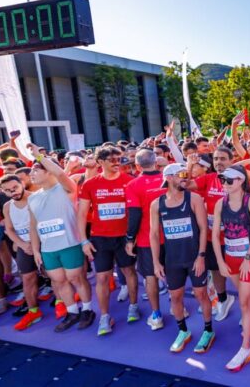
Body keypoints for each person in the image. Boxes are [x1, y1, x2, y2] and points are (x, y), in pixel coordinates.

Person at [26, 143, 95, 332]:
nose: (31, 174)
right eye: (31, 171)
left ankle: (87, 309)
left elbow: (61, 174)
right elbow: (33, 226)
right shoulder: (32, 198)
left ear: (49, 172)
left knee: (76, 278)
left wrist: (39, 156)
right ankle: (72, 312)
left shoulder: (65, 188)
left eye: (36, 170)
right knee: (58, 281)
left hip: (70, 243)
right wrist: (36, 251)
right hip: (49, 249)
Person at [149, 163, 214, 354]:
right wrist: (156, 262)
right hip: (173, 260)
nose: (186, 178)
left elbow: (203, 229)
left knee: (201, 294)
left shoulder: (194, 198)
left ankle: (208, 330)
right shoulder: (156, 204)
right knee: (175, 297)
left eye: (186, 174)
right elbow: (154, 234)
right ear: (169, 178)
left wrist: (201, 256)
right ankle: (183, 331)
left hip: (194, 257)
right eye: (181, 175)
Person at [78, 147, 139, 336]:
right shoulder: (90, 184)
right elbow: (81, 214)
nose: (116, 162)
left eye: (118, 159)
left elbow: (136, 211)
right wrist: (83, 241)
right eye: (111, 159)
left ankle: (133, 306)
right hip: (100, 238)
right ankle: (104, 316)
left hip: (124, 237)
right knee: (102, 277)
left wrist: (133, 237)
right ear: (100, 162)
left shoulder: (130, 181)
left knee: (129, 271)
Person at [212, 166, 250, 371]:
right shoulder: (220, 203)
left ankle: (245, 348)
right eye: (223, 180)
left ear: (241, 181)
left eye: (229, 180)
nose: (224, 184)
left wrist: (248, 258)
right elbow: (215, 235)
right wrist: (220, 261)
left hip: (248, 258)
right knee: (247, 296)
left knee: (243, 302)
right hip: (230, 258)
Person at [190, 146, 235, 321]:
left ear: (231, 160)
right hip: (212, 237)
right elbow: (185, 185)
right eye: (216, 159)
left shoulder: (239, 178)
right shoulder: (208, 178)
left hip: (235, 237)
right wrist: (189, 166)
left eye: (223, 158)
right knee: (216, 270)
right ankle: (223, 299)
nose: (218, 162)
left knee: (238, 274)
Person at [125, 149, 167, 330]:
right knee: (175, 274)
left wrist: (129, 238)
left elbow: (134, 214)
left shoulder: (133, 185)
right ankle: (179, 309)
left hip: (147, 238)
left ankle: (156, 315)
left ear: (137, 165)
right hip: (172, 236)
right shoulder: (168, 179)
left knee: (151, 277)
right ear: (156, 162)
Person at [0, 174, 43, 331]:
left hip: (43, 242)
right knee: (28, 279)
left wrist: (35, 244)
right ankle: (33, 312)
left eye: (15, 187)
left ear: (22, 184)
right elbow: (9, 230)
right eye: (8, 190)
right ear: (3, 192)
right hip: (24, 246)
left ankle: (63, 304)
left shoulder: (37, 198)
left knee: (55, 276)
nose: (13, 192)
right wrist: (22, 244)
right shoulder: (7, 206)